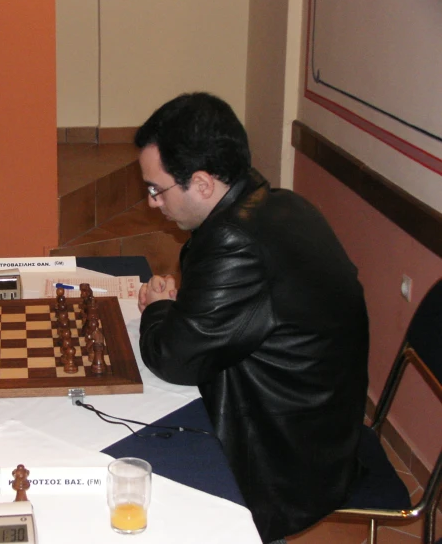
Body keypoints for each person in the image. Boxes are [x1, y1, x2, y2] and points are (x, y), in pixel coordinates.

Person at [136, 93, 369, 543]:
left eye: (155, 189)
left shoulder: (235, 241)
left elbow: (175, 359)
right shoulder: (280, 203)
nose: (151, 203)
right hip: (319, 430)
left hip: (283, 458)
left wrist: (160, 308)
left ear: (202, 184)